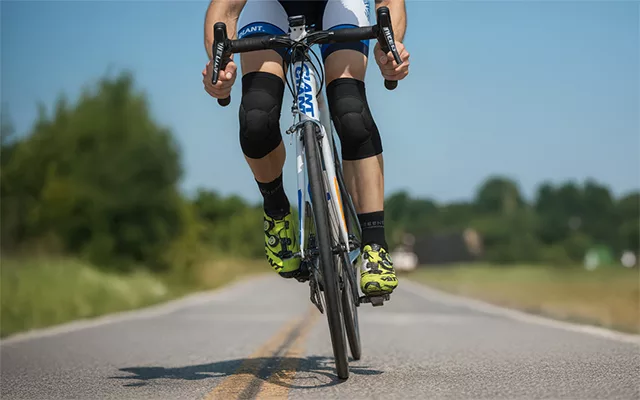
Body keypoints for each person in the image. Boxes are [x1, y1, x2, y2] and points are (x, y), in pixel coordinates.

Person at [202, 0, 410, 297]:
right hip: (272, 7)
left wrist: (391, 48)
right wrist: (220, 67)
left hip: (338, 5)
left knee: (351, 113)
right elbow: (224, 10)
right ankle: (277, 212)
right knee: (256, 118)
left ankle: (374, 245)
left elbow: (387, 2)